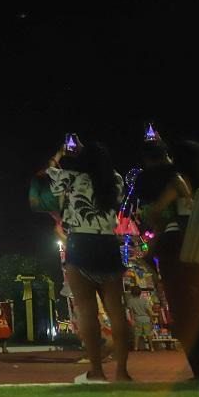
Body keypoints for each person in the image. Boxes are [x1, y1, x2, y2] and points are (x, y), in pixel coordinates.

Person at [46, 141, 131, 383]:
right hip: (107, 245)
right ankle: (122, 372)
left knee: (87, 312)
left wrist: (63, 152)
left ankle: (96, 371)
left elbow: (50, 172)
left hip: (81, 244)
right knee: (117, 312)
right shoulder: (114, 180)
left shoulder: (72, 178)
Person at [138, 137, 199, 378]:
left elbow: (158, 213)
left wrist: (153, 240)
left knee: (183, 309)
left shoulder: (178, 179)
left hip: (177, 246)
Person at [125, 286, 154, 352]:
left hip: (137, 319)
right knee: (148, 334)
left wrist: (132, 320)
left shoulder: (130, 301)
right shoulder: (144, 300)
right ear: (140, 293)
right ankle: (151, 347)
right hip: (146, 319)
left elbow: (131, 311)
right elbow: (148, 310)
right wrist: (151, 319)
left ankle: (135, 347)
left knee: (137, 334)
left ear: (132, 293)